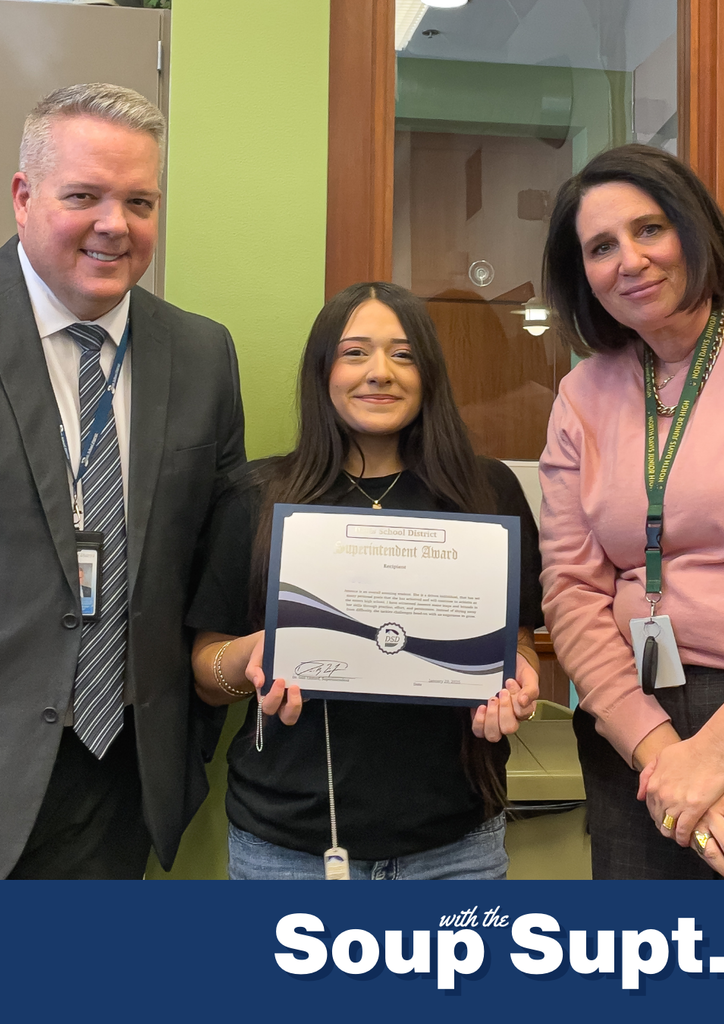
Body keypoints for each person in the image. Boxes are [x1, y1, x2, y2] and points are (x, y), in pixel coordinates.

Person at [0, 83, 245, 879]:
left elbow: (215, 561)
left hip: (120, 774)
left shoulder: (201, 355)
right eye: (83, 195)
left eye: (139, 201)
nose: (114, 225)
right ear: (22, 197)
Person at [188, 282, 542, 880]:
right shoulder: (256, 497)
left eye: (403, 354)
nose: (380, 372)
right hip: (288, 847)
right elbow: (204, 672)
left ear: (429, 372)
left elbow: (520, 642)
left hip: (456, 845)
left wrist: (519, 681)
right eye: (355, 353)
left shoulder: (486, 493)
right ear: (322, 372)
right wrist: (253, 656)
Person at [538, 143, 724, 881]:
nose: (628, 260)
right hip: (634, 733)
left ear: (692, 229)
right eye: (600, 247)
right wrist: (662, 752)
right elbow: (570, 592)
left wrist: (716, 752)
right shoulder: (582, 393)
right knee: (651, 977)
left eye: (648, 229)